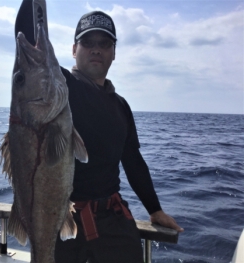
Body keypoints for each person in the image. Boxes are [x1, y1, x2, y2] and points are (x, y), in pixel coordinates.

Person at [15, 2, 183, 262]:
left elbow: (133, 161)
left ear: (114, 53)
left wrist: (155, 209)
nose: (96, 49)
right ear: (73, 50)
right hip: (60, 219)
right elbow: (27, 41)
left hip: (113, 221)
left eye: (104, 44)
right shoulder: (58, 86)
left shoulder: (121, 106)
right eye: (87, 42)